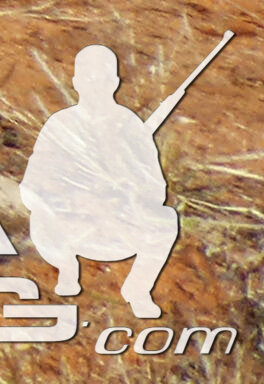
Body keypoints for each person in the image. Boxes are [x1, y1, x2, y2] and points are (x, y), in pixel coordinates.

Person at [22, 43, 184, 319]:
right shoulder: (60, 125)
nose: (95, 85)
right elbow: (32, 186)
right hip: (72, 222)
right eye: (88, 78)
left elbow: (155, 187)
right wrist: (73, 200)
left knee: (166, 220)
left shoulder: (129, 126)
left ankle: (138, 289)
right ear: (75, 82)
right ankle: (67, 268)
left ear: (115, 82)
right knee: (40, 216)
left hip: (118, 224)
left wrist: (127, 194)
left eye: (102, 78)